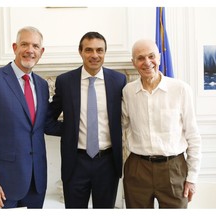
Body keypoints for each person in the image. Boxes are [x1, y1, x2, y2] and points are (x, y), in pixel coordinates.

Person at [0, 26, 60, 209]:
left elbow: (43, 125)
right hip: (2, 185)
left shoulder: (43, 85)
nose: (30, 50)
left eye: (35, 46)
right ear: (14, 47)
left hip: (36, 184)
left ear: (41, 52)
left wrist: (85, 129)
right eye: (24, 44)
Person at [48, 31, 127, 208]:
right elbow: (48, 119)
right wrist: (69, 131)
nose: (94, 55)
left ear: (105, 52)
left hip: (107, 162)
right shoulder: (65, 81)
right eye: (89, 50)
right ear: (80, 52)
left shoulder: (118, 81)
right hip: (75, 162)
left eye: (100, 50)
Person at [122, 39, 202, 208]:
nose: (147, 62)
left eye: (151, 56)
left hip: (174, 168)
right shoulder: (128, 91)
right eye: (140, 58)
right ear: (133, 62)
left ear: (159, 57)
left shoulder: (180, 89)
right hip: (137, 169)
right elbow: (121, 127)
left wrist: (192, 178)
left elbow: (193, 136)